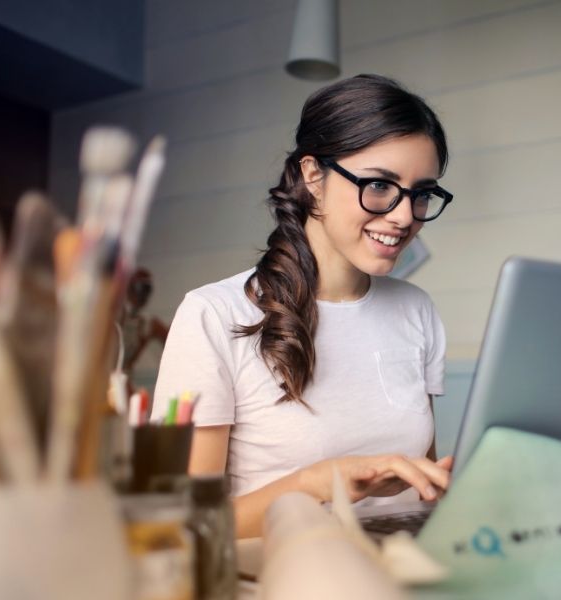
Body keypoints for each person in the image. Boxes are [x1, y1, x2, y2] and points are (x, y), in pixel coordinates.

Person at [152, 74, 455, 538]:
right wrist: (316, 484)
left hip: (402, 569)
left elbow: (423, 480)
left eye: (422, 193)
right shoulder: (213, 315)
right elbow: (184, 524)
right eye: (379, 186)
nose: (404, 216)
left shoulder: (416, 309)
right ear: (314, 175)